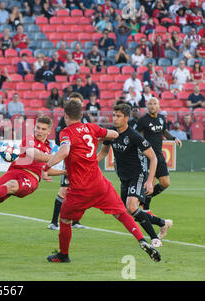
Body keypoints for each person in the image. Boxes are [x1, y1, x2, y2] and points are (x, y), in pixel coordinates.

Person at [43, 99, 161, 263]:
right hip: (99, 184)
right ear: (82, 115)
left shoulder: (66, 133)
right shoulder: (91, 128)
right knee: (121, 212)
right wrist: (102, 135)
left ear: (65, 116)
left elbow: (64, 150)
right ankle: (141, 239)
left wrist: (46, 167)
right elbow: (112, 134)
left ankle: (64, 255)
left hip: (79, 190)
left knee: (64, 219)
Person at [0, 116, 66, 253]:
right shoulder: (29, 139)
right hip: (14, 171)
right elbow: (33, 154)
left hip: (31, 178)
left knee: (11, 185)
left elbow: (47, 171)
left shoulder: (49, 147)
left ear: (49, 131)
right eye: (37, 127)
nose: (39, 131)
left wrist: (64, 172)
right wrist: (59, 156)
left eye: (43, 129)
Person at [98, 104, 172, 247]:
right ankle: (163, 223)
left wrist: (150, 181)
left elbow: (153, 157)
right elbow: (104, 152)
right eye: (114, 115)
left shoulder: (134, 136)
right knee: (126, 212)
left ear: (126, 118)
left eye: (118, 116)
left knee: (131, 207)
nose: (114, 118)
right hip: (123, 177)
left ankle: (154, 238)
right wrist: (90, 163)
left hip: (137, 175)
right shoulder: (111, 133)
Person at [48, 93, 90, 231]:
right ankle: (54, 222)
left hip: (83, 160)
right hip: (70, 159)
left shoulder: (87, 119)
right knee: (64, 189)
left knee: (80, 189)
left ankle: (76, 221)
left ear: (82, 104)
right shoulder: (63, 120)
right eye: (73, 102)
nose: (75, 105)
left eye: (77, 102)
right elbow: (57, 140)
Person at [136, 98, 182, 213]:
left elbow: (164, 132)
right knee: (150, 183)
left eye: (155, 103)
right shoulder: (143, 120)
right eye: (150, 104)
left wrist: (174, 138)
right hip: (148, 155)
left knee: (165, 183)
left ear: (158, 105)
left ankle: (142, 200)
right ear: (147, 106)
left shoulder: (161, 119)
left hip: (159, 155)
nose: (152, 106)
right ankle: (146, 210)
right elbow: (135, 134)